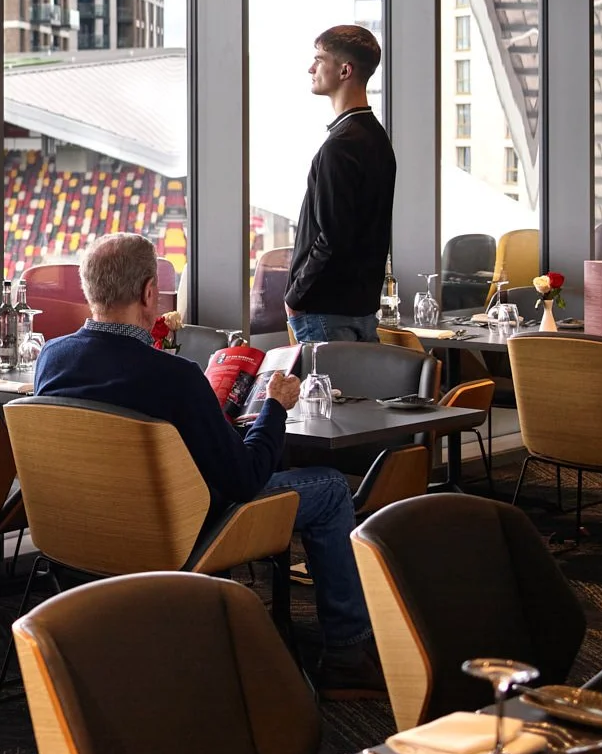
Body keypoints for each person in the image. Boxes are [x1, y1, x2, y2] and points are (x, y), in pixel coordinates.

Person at [32, 233, 382, 697]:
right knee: (333, 488)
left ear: (89, 289)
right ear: (149, 293)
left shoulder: (53, 358)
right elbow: (245, 480)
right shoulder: (175, 376)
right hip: (180, 528)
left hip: (87, 523)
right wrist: (273, 407)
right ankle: (347, 656)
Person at [286, 24, 395, 344]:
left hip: (325, 312)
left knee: (323, 383)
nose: (311, 68)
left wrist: (295, 296)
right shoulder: (377, 139)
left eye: (319, 59)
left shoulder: (340, 147)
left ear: (345, 70)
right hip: (362, 310)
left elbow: (332, 237)